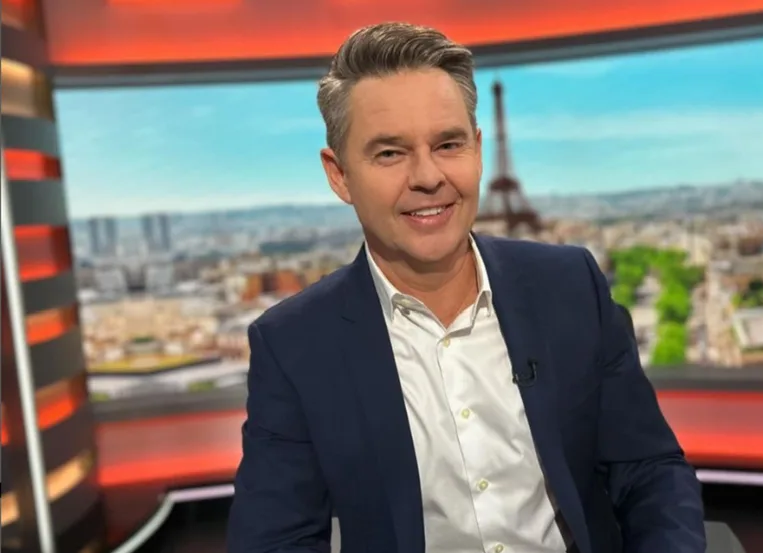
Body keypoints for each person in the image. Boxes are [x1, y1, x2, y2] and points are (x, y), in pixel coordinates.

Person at [227, 22, 706, 553]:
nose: (428, 176)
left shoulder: (571, 286)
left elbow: (649, 472)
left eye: (448, 144)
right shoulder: (295, 344)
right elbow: (275, 540)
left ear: (478, 150)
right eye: (390, 153)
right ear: (339, 175)